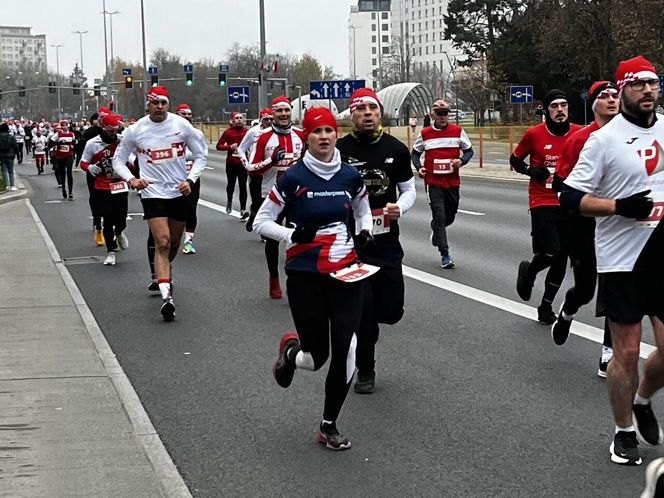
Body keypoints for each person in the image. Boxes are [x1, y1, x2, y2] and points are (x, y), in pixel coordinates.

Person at [561, 55, 664, 466]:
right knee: (626, 351)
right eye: (637, 84)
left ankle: (642, 401)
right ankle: (623, 432)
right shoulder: (603, 139)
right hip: (622, 257)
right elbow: (571, 197)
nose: (647, 90)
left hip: (663, 252)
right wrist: (619, 206)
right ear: (621, 90)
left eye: (653, 83)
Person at [254, 107, 373, 450]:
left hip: (347, 273)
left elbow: (362, 208)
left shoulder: (350, 176)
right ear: (306, 137)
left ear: (337, 134)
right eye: (316, 131)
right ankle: (292, 354)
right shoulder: (292, 178)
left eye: (329, 130)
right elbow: (261, 222)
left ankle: (328, 424)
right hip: (306, 276)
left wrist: (364, 230)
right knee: (315, 357)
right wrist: (293, 235)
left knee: (347, 345)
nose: (324, 136)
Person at [336, 87, 416, 394]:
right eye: (361, 109)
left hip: (386, 241)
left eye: (373, 108)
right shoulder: (339, 149)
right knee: (365, 308)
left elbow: (408, 190)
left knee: (392, 310)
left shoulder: (395, 149)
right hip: (352, 243)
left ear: (380, 112)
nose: (368, 113)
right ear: (352, 114)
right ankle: (365, 367)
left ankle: (367, 334)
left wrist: (401, 207)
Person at [112, 86, 207, 321]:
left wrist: (190, 180)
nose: (160, 107)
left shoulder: (181, 126)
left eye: (164, 102)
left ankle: (165, 271)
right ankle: (167, 297)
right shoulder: (136, 130)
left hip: (178, 192)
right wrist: (132, 179)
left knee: (173, 244)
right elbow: (118, 161)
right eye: (155, 103)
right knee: (162, 242)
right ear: (148, 105)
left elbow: (201, 155)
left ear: (168, 104)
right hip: (152, 192)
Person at [551, 80, 619, 377]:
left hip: (619, 224)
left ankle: (608, 352)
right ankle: (568, 309)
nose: (611, 100)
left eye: (615, 95)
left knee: (614, 286)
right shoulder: (580, 139)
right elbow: (562, 186)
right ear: (593, 104)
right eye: (604, 96)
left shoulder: (632, 137)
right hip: (584, 223)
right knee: (587, 287)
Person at [510, 89, 583, 324]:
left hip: (569, 200)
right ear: (547, 110)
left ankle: (545, 307)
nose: (560, 110)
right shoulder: (534, 134)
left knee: (561, 257)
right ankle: (530, 271)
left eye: (563, 105)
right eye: (555, 106)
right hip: (542, 199)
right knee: (551, 251)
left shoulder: (580, 133)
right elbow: (515, 159)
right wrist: (532, 170)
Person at [247, 96, 304, 299]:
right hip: (271, 195)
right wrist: (271, 161)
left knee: (298, 239)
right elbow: (251, 169)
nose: (283, 114)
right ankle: (273, 278)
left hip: (298, 196)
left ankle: (294, 281)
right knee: (273, 240)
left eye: (286, 110)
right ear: (272, 114)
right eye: (279, 111)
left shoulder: (301, 135)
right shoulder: (262, 137)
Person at [412, 99, 474, 268]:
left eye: (446, 112)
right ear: (432, 115)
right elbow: (415, 154)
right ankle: (445, 254)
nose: (443, 116)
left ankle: (436, 230)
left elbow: (469, 151)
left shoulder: (458, 131)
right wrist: (419, 168)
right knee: (439, 215)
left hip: (452, 181)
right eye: (439, 113)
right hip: (433, 182)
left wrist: (462, 161)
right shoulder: (425, 134)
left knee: (450, 215)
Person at [80, 114, 134, 266]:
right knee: (108, 219)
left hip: (119, 183)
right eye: (109, 130)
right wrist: (90, 167)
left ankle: (120, 231)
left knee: (121, 216)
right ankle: (110, 252)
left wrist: (131, 170)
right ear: (103, 128)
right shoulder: (93, 143)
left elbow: (132, 159)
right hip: (102, 185)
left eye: (115, 130)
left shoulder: (122, 141)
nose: (112, 133)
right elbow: (83, 162)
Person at [173, 103, 208, 255]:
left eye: (189, 114)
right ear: (176, 115)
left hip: (191, 178)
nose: (187, 116)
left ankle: (188, 241)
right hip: (172, 178)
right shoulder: (169, 132)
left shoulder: (197, 134)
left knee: (191, 209)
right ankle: (171, 239)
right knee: (174, 211)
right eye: (183, 114)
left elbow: (203, 155)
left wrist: (183, 156)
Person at [239, 107, 273, 231]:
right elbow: (241, 149)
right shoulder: (253, 132)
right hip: (256, 170)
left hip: (270, 171)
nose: (269, 122)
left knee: (269, 201)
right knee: (257, 200)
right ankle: (253, 217)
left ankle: (265, 229)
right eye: (266, 119)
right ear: (260, 120)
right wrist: (246, 164)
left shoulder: (276, 132)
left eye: (271, 119)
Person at [83, 109, 111, 246]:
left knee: (114, 202)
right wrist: (88, 167)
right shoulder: (89, 134)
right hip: (95, 173)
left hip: (112, 173)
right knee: (95, 198)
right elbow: (83, 154)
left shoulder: (117, 134)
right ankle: (97, 225)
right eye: (100, 117)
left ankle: (112, 228)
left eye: (104, 117)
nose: (102, 119)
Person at [216, 112, 249, 217]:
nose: (239, 120)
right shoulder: (228, 132)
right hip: (231, 163)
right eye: (237, 118)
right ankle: (229, 200)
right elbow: (219, 146)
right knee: (231, 184)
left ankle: (243, 209)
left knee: (243, 185)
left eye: (241, 118)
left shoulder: (247, 132)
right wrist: (229, 147)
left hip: (243, 163)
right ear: (232, 120)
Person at [51, 120, 76, 200]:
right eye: (63, 126)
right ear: (61, 127)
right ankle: (63, 189)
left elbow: (74, 142)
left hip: (69, 155)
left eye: (66, 125)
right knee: (62, 173)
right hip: (60, 156)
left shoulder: (71, 134)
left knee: (69, 173)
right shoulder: (57, 134)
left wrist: (72, 145)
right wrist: (59, 143)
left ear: (68, 126)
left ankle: (70, 192)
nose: (64, 127)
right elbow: (50, 143)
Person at [0, 122, 19, 191]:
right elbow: (16, 146)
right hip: (10, 155)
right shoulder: (11, 137)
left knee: (4, 170)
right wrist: (18, 154)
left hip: (1, 155)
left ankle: (7, 185)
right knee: (11, 170)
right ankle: (12, 185)